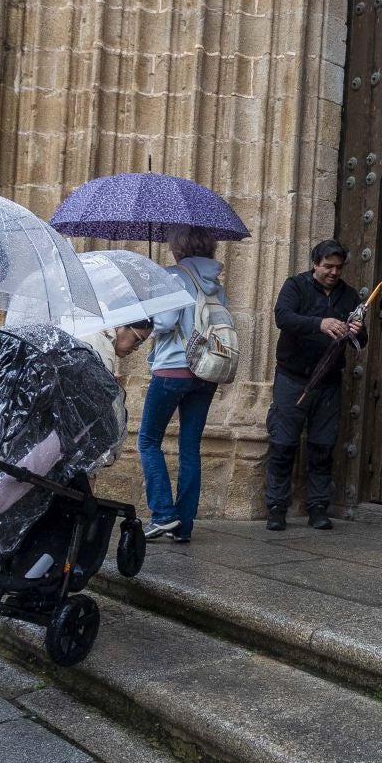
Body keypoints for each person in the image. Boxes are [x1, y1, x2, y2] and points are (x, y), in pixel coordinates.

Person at [266, 239, 365, 531]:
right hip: (292, 377)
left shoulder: (349, 296)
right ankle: (276, 507)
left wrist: (358, 331)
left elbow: (363, 340)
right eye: (327, 266)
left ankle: (318, 507)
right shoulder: (295, 286)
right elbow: (282, 317)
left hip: (329, 382)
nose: (334, 272)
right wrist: (319, 323)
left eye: (338, 267)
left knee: (323, 447)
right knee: (283, 445)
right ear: (315, 264)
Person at [140, 228, 224, 544]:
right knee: (190, 447)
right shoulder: (217, 284)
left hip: (173, 368)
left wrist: (149, 303)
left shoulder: (172, 276)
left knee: (148, 440)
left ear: (179, 248)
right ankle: (184, 525)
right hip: (206, 371)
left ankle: (163, 515)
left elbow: (162, 323)